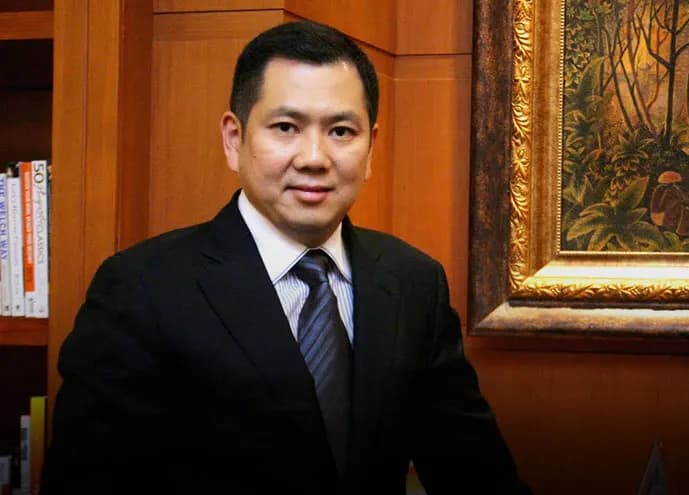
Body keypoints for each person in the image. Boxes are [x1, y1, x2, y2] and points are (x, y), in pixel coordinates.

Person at [41, 20, 530, 495]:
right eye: (286, 127)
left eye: (341, 131)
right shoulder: (141, 288)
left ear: (371, 147)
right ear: (234, 139)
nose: (314, 157)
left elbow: (476, 472)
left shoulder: (414, 282)